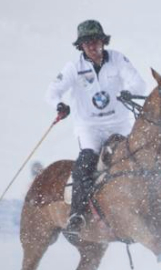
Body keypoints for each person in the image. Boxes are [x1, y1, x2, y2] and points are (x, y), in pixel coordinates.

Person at [46, 20, 148, 235]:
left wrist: (129, 92)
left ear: (103, 41)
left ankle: (148, 206)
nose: (92, 46)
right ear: (81, 46)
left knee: (138, 159)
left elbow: (139, 83)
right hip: (89, 128)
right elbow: (52, 91)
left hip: (119, 125)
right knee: (85, 163)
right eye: (87, 43)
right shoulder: (74, 67)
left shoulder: (118, 59)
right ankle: (77, 215)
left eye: (96, 41)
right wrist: (59, 105)